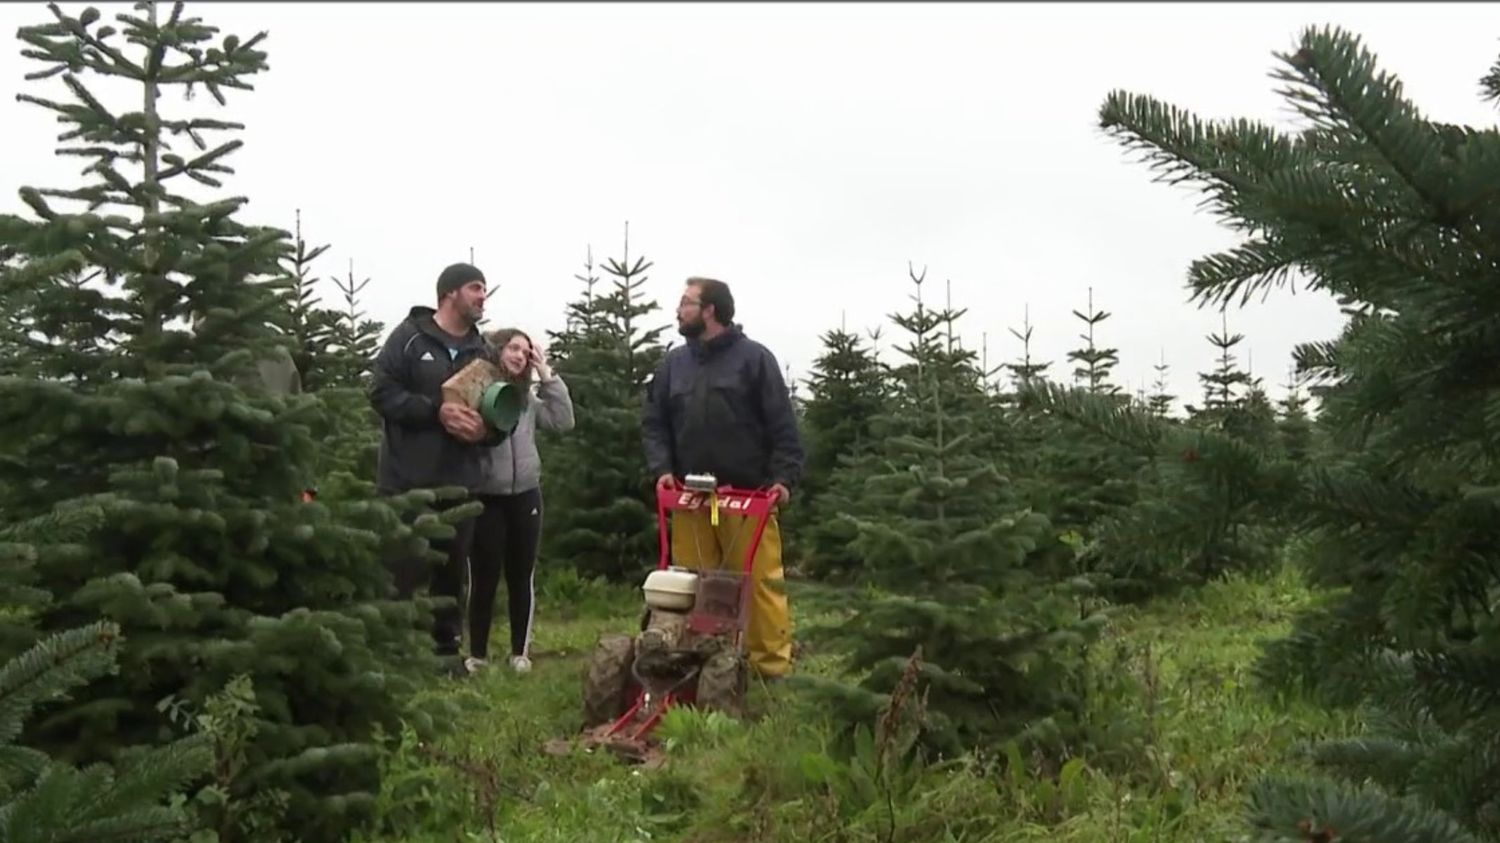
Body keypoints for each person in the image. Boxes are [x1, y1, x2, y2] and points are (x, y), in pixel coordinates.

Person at [641, 276, 805, 679]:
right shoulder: (673, 366)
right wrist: (662, 470)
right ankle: (700, 661)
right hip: (690, 497)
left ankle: (769, 670)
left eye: (686, 303)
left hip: (749, 494)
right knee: (693, 582)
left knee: (760, 584)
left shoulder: (754, 360)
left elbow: (782, 424)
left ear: (709, 310)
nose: (678, 310)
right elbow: (654, 424)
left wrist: (783, 478)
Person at [369, 262, 499, 661]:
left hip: (461, 482)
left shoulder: (484, 352)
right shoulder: (409, 339)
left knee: (451, 572)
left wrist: (486, 432)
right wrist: (435, 412)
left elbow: (503, 414)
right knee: (400, 570)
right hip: (407, 482)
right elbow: (380, 392)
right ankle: (391, 653)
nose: (483, 297)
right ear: (449, 293)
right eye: (476, 288)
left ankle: (445, 653)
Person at [466, 328, 575, 675]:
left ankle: (519, 653)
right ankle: (478, 655)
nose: (519, 356)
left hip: (525, 494)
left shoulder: (527, 401)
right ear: (498, 350)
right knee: (483, 576)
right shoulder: (479, 390)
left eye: (526, 352)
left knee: (520, 575)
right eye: (513, 348)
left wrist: (547, 376)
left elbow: (563, 421)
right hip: (487, 495)